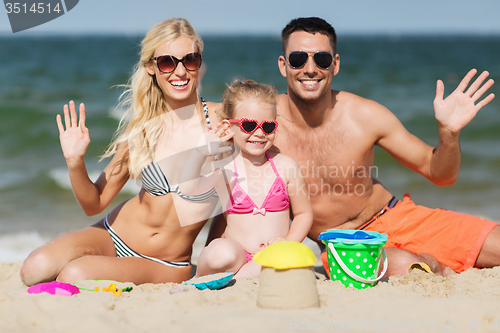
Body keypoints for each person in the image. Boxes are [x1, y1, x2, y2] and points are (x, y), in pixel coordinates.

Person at [273, 17, 498, 276]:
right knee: (410, 265)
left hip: (398, 217)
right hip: (343, 245)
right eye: (298, 58)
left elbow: (441, 174)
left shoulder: (366, 115)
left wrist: (448, 133)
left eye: (321, 59)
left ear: (334, 65)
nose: (310, 68)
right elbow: (216, 112)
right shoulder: (262, 121)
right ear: (283, 65)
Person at [20, 18, 223, 286]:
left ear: (199, 62)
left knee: (74, 274)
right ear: (151, 67)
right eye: (167, 62)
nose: (180, 71)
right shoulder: (144, 128)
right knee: (34, 268)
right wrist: (74, 161)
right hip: (112, 234)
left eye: (190, 59)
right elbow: (94, 203)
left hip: (165, 263)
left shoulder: (223, 121)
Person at [180, 79, 313, 278]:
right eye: (249, 125)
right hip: (237, 255)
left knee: (278, 262)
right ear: (228, 126)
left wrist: (290, 241)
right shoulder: (225, 169)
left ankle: (235, 278)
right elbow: (188, 189)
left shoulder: (286, 166)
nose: (259, 133)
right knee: (219, 252)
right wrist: (200, 153)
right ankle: (199, 280)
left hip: (271, 254)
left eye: (268, 126)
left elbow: (303, 213)